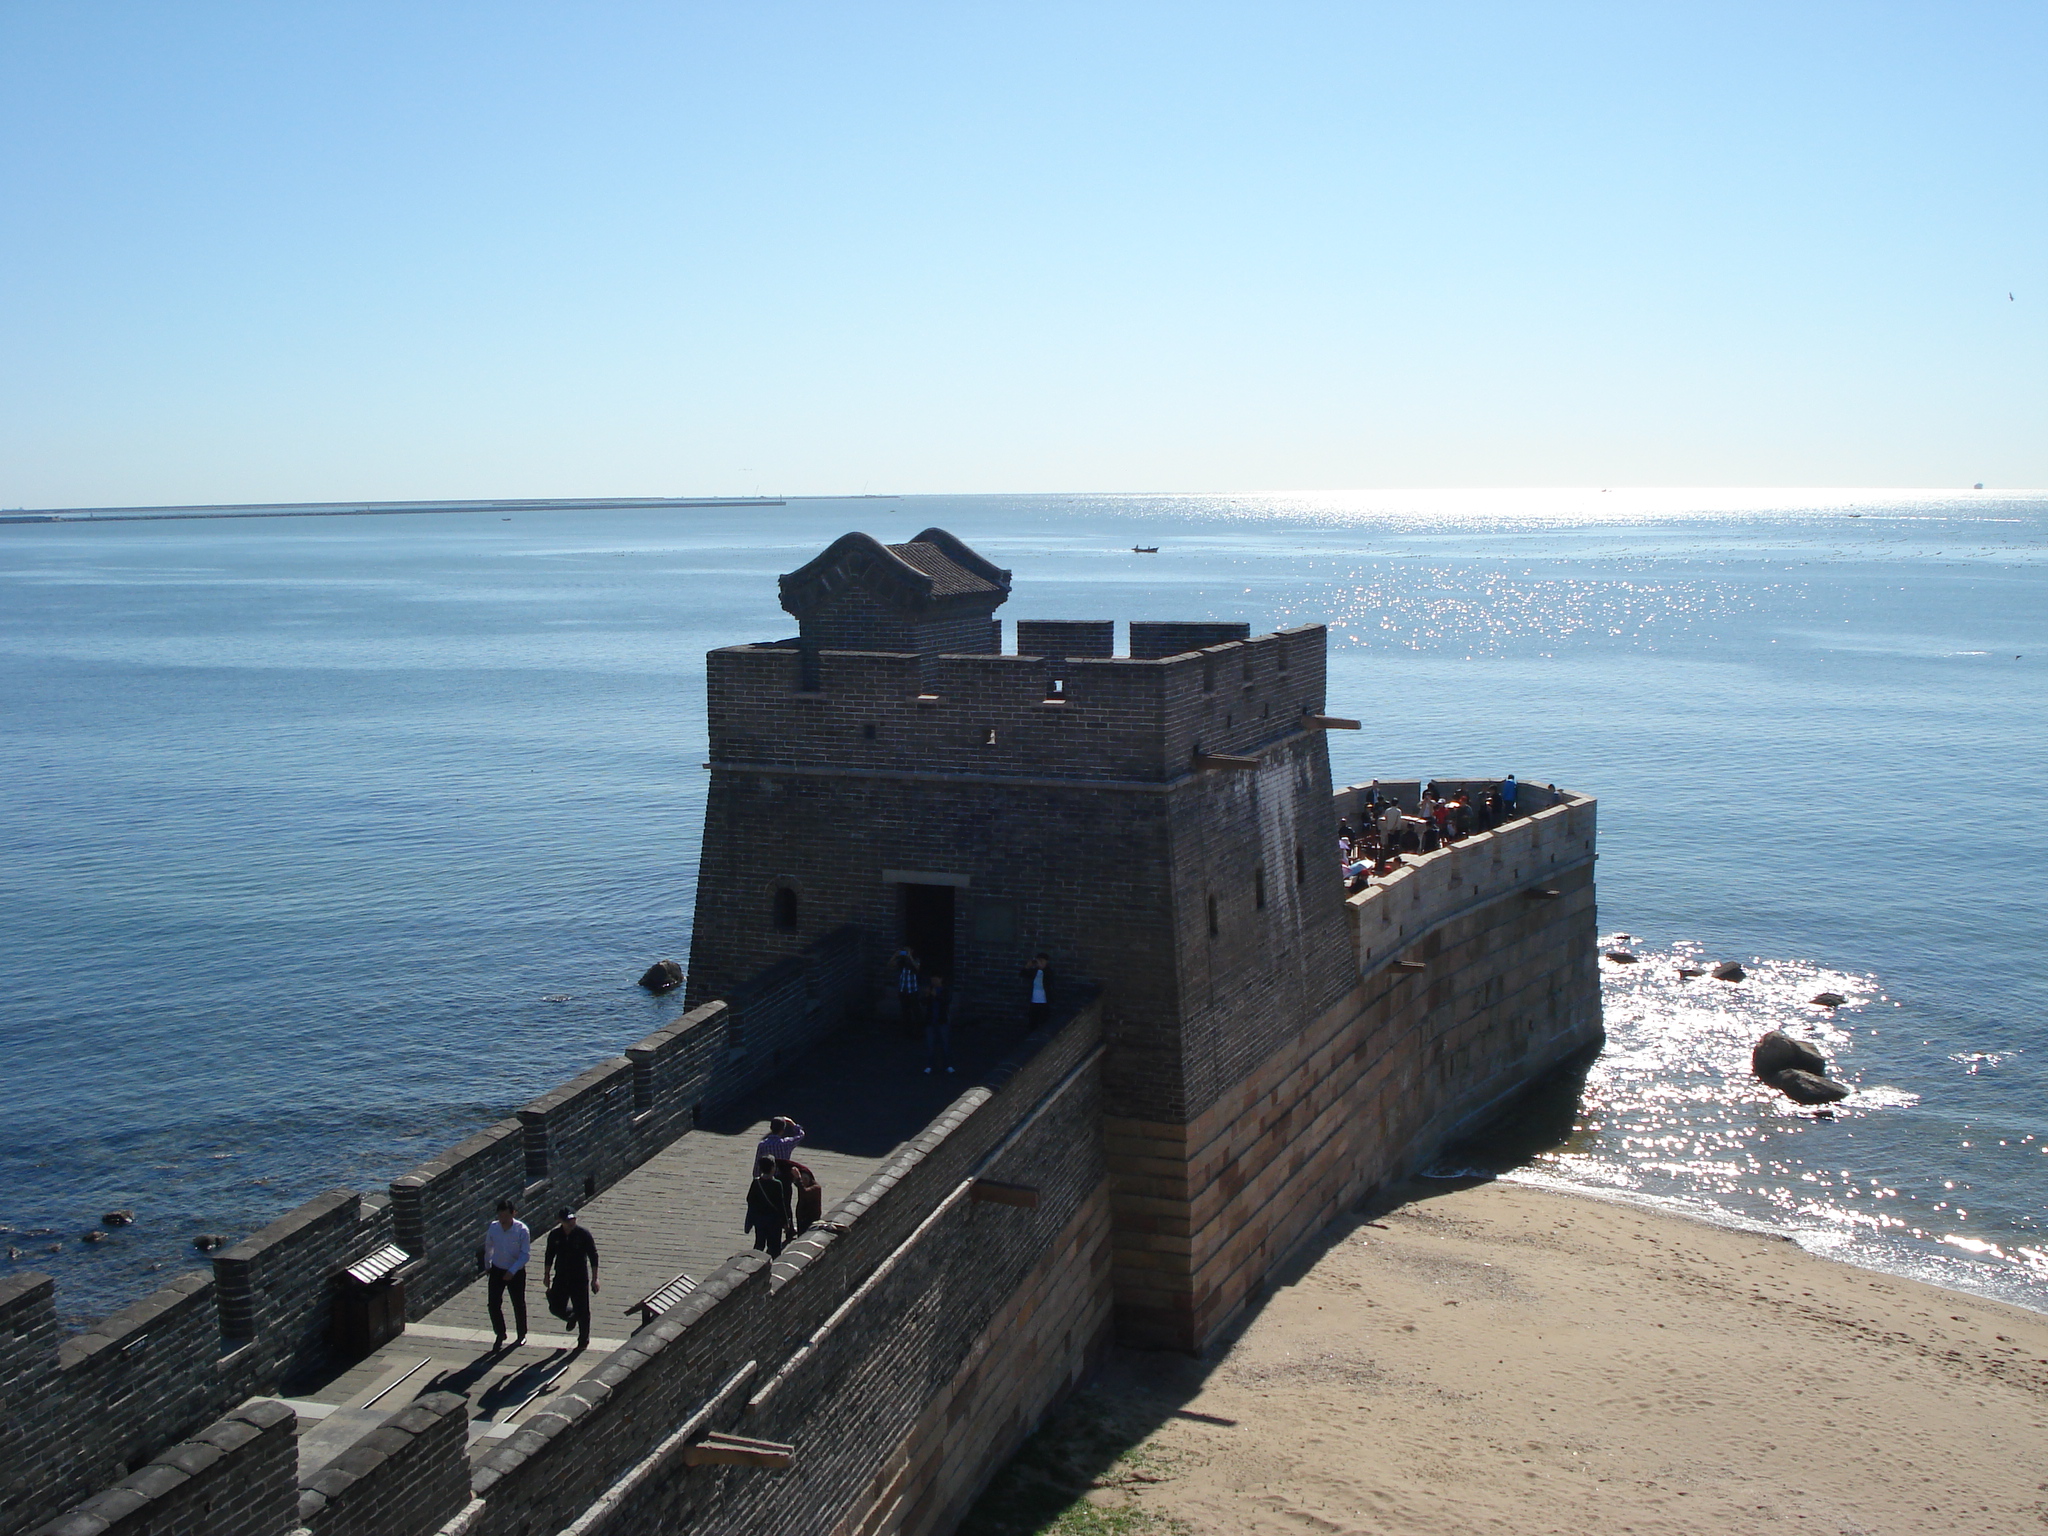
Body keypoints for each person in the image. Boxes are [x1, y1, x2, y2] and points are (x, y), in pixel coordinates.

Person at [542, 1208, 600, 1350]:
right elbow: (549, 1255)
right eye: (568, 1220)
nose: (571, 1222)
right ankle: (571, 1316)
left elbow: (593, 1256)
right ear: (560, 1221)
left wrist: (595, 1278)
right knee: (555, 1305)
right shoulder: (555, 1235)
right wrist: (546, 1274)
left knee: (583, 1309)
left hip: (579, 1276)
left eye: (573, 1219)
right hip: (561, 1275)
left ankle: (583, 1338)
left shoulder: (583, 1234)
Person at [483, 1198, 531, 1349]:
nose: (502, 1219)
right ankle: (500, 1332)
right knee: (493, 1303)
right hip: (497, 1268)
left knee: (518, 1303)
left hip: (515, 1271)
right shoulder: (494, 1227)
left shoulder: (522, 1230)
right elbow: (489, 1247)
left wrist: (512, 1271)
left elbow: (525, 1255)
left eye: (505, 1216)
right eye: (500, 1216)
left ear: (513, 1214)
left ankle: (521, 1334)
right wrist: (488, 1265)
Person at [745, 1156, 793, 1257]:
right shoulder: (777, 1184)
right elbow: (781, 1205)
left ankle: (754, 1262)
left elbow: (750, 1199)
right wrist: (786, 1222)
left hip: (760, 1220)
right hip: (774, 1221)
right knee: (774, 1247)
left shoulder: (756, 1182)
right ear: (772, 1168)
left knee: (759, 1244)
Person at [924, 974, 954, 1074]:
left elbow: (946, 1001)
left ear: (941, 979)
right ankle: (929, 1065)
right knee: (930, 1045)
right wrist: (927, 996)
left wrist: (935, 995)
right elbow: (923, 1002)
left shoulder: (945, 990)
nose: (933, 981)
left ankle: (947, 1065)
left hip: (942, 1021)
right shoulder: (930, 989)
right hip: (931, 1021)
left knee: (945, 1044)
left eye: (935, 978)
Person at [892, 947, 923, 1037]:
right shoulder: (901, 961)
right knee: (905, 1011)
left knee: (916, 1011)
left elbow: (917, 968)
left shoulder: (915, 959)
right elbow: (890, 965)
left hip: (912, 990)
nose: (906, 952)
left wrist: (910, 957)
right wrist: (895, 955)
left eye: (908, 950)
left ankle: (919, 1031)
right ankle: (907, 1031)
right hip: (903, 990)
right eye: (904, 951)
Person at [1021, 952, 1053, 1032]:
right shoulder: (1034, 971)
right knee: (1032, 1021)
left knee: (1044, 1021)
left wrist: (1042, 968)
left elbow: (1049, 979)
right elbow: (1023, 974)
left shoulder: (1048, 971)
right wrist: (1027, 966)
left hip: (1044, 1001)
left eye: (1042, 961)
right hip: (1034, 1001)